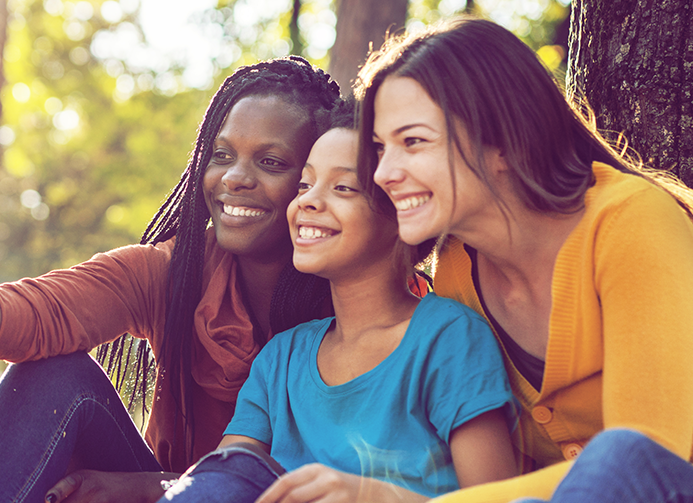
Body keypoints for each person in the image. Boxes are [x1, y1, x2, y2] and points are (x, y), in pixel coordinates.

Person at [0, 57, 343, 503]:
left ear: (315, 177)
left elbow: (330, 477)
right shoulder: (171, 273)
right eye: (221, 155)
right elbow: (12, 317)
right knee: (55, 373)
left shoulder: (357, 298)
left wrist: (142, 486)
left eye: (270, 161)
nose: (233, 178)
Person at [359, 17, 693, 502]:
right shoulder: (454, 274)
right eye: (380, 148)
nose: (385, 172)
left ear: (504, 143)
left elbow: (640, 461)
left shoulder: (631, 222)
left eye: (413, 142)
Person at [159, 104, 515, 503]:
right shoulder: (280, 360)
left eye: (343, 187)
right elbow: (218, 483)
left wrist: (368, 496)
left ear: (405, 214)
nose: (308, 202)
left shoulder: (448, 339)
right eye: (304, 185)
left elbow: (499, 498)